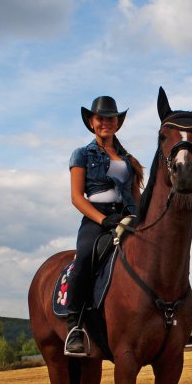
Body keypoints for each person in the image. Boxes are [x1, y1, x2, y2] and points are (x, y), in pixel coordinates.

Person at [64, 95, 144, 355]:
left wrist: (146, 220)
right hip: (96, 217)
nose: (105, 123)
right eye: (101, 118)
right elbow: (77, 197)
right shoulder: (82, 154)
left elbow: (136, 195)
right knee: (85, 257)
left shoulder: (128, 159)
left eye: (111, 118)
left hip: (128, 215)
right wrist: (103, 219)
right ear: (91, 121)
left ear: (117, 123)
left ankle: (174, 319)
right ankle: (74, 326)